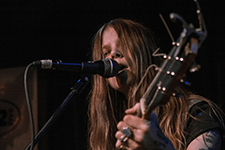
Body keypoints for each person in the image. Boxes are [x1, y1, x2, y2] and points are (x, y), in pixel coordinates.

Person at [88, 18, 224, 150]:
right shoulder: (109, 129)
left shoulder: (196, 114)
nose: (113, 55)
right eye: (106, 52)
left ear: (144, 53)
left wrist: (158, 146)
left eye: (122, 47)